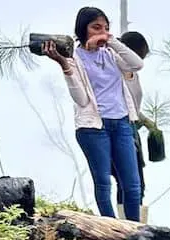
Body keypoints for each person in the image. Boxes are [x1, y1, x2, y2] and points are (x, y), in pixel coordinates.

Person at [44, 6, 144, 221]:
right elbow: (81, 99)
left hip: (122, 123)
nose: (102, 32)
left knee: (133, 185)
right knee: (103, 183)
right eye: (96, 27)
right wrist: (64, 65)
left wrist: (111, 40)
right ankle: (110, 229)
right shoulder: (74, 57)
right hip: (93, 128)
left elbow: (137, 64)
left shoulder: (111, 53)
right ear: (83, 29)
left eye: (106, 28)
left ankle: (135, 231)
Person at [111, 30, 153, 222]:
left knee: (138, 184)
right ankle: (125, 225)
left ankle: (137, 224)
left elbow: (132, 104)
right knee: (124, 182)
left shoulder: (133, 74)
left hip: (131, 131)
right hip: (117, 130)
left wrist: (146, 122)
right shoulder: (114, 70)